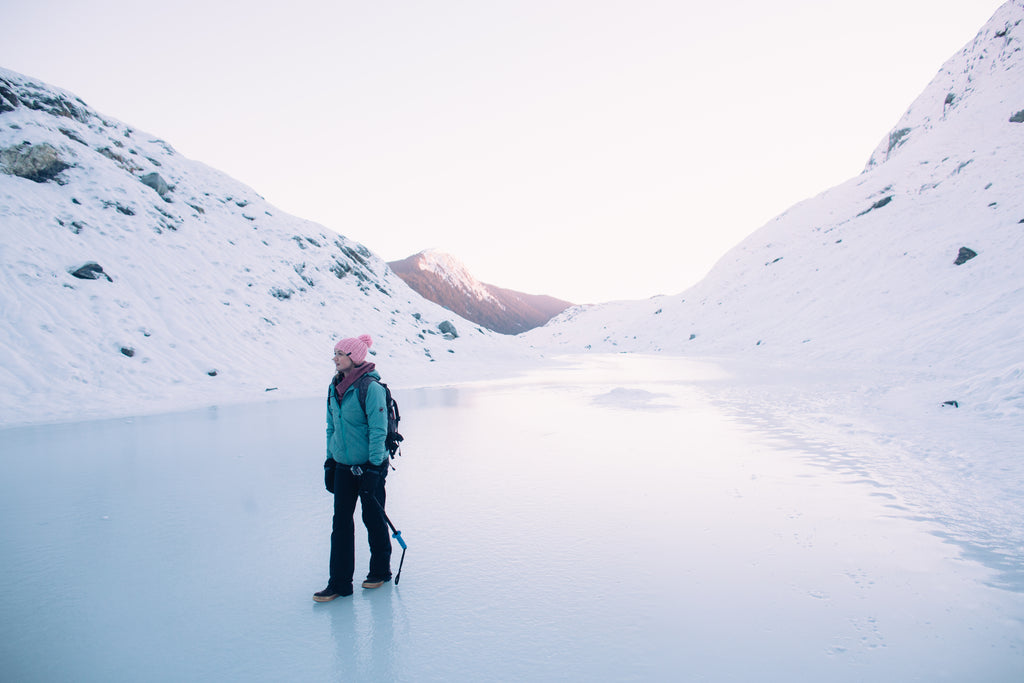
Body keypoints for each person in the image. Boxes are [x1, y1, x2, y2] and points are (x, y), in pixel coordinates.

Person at [314, 334, 392, 602]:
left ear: (354, 357)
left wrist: (373, 468)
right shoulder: (334, 386)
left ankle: (380, 571)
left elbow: (378, 430)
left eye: (340, 353)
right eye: (334, 353)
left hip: (370, 467)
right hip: (343, 467)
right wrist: (330, 460)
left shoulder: (371, 388)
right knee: (341, 524)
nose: (334, 358)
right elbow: (331, 427)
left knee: (373, 519)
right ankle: (339, 583)